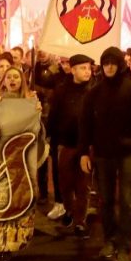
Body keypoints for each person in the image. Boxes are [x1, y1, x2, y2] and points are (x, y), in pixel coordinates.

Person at [79, 46, 131, 261]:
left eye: (113, 62)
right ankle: (109, 241)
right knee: (106, 201)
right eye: (106, 63)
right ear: (101, 66)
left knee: (128, 202)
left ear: (120, 64)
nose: (109, 66)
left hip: (129, 153)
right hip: (103, 155)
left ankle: (123, 247)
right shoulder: (94, 92)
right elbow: (85, 125)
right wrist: (84, 151)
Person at [47, 54, 94, 238]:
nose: (87, 72)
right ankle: (69, 210)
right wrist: (50, 137)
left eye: (89, 68)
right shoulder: (61, 91)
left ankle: (80, 221)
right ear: (73, 70)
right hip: (65, 143)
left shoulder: (94, 91)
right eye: (83, 68)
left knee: (83, 185)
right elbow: (53, 116)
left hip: (86, 145)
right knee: (65, 183)